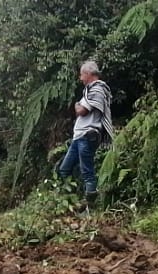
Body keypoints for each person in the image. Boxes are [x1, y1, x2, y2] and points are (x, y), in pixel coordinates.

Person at [57, 60, 113, 209]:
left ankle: (90, 205)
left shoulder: (98, 89)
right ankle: (68, 202)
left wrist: (77, 105)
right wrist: (79, 105)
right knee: (64, 169)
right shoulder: (89, 91)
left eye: (82, 75)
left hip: (88, 136)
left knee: (87, 171)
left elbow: (82, 110)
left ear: (88, 74)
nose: (80, 78)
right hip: (79, 137)